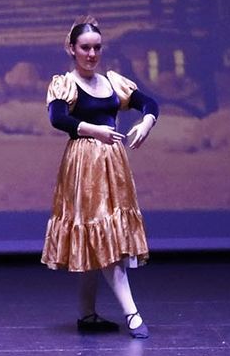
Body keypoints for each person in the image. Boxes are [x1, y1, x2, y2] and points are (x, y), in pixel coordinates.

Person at [41, 19, 159, 339]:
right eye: (85, 48)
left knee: (105, 234)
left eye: (96, 47)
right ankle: (131, 312)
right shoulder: (66, 83)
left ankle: (87, 313)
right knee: (102, 235)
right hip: (84, 164)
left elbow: (148, 102)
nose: (92, 54)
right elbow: (58, 117)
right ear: (72, 49)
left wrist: (146, 122)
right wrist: (95, 130)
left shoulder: (111, 82)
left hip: (113, 164)